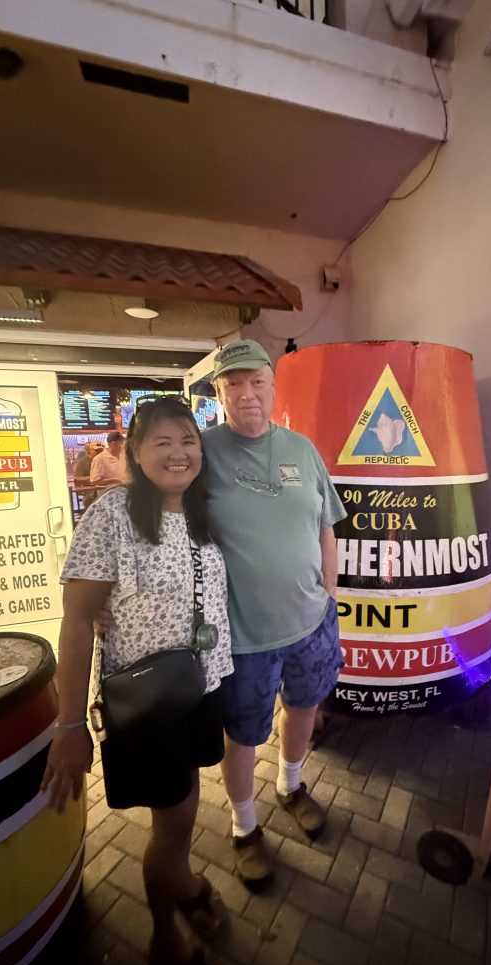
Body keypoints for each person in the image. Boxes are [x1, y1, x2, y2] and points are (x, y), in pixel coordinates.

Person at [40, 399, 232, 965]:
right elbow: (76, 621)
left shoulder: (202, 510)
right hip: (148, 702)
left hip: (201, 687)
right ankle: (165, 940)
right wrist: (69, 723)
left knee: (183, 804)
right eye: (162, 442)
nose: (179, 453)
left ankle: (187, 883)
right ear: (135, 453)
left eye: (188, 441)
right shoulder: (114, 514)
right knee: (173, 827)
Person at [202, 338, 345, 891]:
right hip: (243, 635)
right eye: (234, 384)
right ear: (219, 393)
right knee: (242, 734)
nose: (247, 394)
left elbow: (325, 524)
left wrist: (329, 589)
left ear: (272, 386)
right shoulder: (201, 453)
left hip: (311, 621)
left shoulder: (302, 450)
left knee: (304, 707)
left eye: (257, 382)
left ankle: (290, 786)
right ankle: (244, 827)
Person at [73, 441, 104, 508]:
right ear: (89, 451)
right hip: (90, 494)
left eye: (101, 450)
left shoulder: (103, 461)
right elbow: (77, 478)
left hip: (103, 492)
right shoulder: (82, 463)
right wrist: (92, 478)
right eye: (96, 451)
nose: (99, 452)